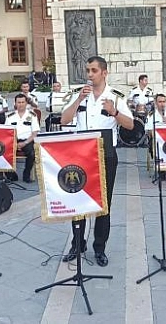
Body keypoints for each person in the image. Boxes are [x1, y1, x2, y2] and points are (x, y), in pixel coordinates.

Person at [60, 56, 134, 267]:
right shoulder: (80, 94)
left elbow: (129, 125)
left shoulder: (116, 97)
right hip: (81, 155)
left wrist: (114, 112)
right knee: (78, 201)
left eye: (93, 70)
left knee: (103, 206)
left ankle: (99, 248)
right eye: (87, 71)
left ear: (104, 72)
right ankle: (77, 244)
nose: (89, 74)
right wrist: (77, 101)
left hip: (105, 156)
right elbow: (64, 120)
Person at [5, 94, 41, 182]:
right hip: (13, 141)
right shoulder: (10, 116)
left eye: (22, 102)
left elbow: (35, 132)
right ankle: (11, 175)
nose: (21, 104)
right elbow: (6, 132)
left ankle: (26, 174)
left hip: (27, 140)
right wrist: (14, 143)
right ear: (15, 104)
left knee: (32, 153)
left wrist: (25, 143)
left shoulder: (32, 115)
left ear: (26, 103)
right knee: (2, 152)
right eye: (19, 102)